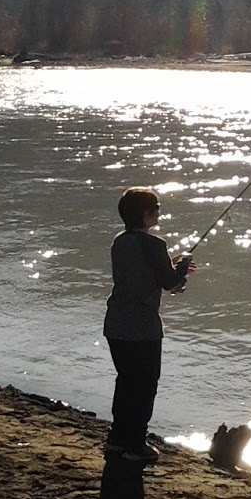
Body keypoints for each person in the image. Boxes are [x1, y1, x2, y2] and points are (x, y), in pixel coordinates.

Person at [103, 187, 194, 463]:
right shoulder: (155, 245)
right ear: (145, 214)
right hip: (142, 329)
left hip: (116, 324)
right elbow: (170, 283)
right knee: (145, 386)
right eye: (156, 208)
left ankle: (117, 439)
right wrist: (181, 268)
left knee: (126, 382)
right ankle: (135, 444)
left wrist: (169, 266)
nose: (159, 212)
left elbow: (144, 273)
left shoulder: (120, 241)